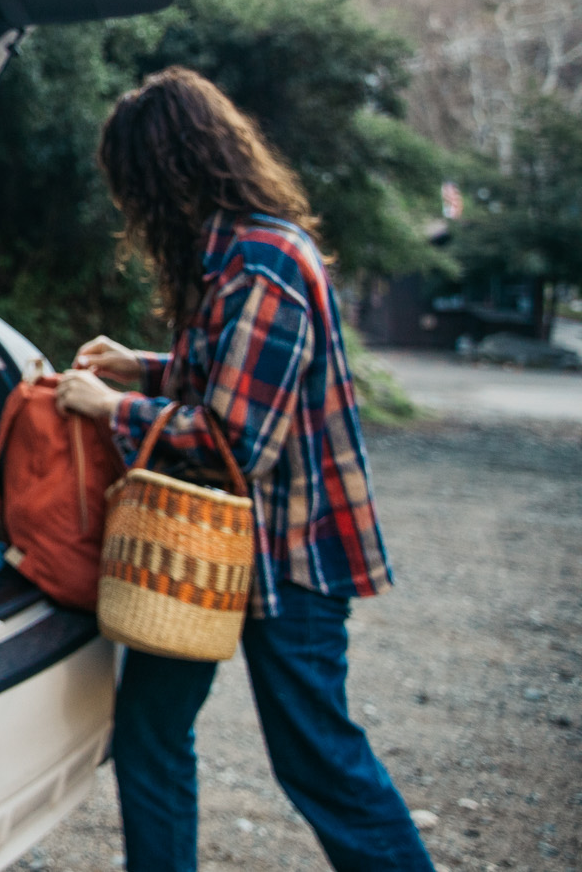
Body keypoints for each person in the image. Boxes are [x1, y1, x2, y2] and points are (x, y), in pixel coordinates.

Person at [54, 66, 433, 872]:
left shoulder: (262, 264)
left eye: (133, 185)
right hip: (202, 553)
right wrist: (141, 367)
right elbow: (227, 374)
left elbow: (234, 440)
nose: (131, 207)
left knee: (317, 759)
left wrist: (106, 408)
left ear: (166, 173)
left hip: (290, 559)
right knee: (151, 736)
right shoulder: (231, 254)